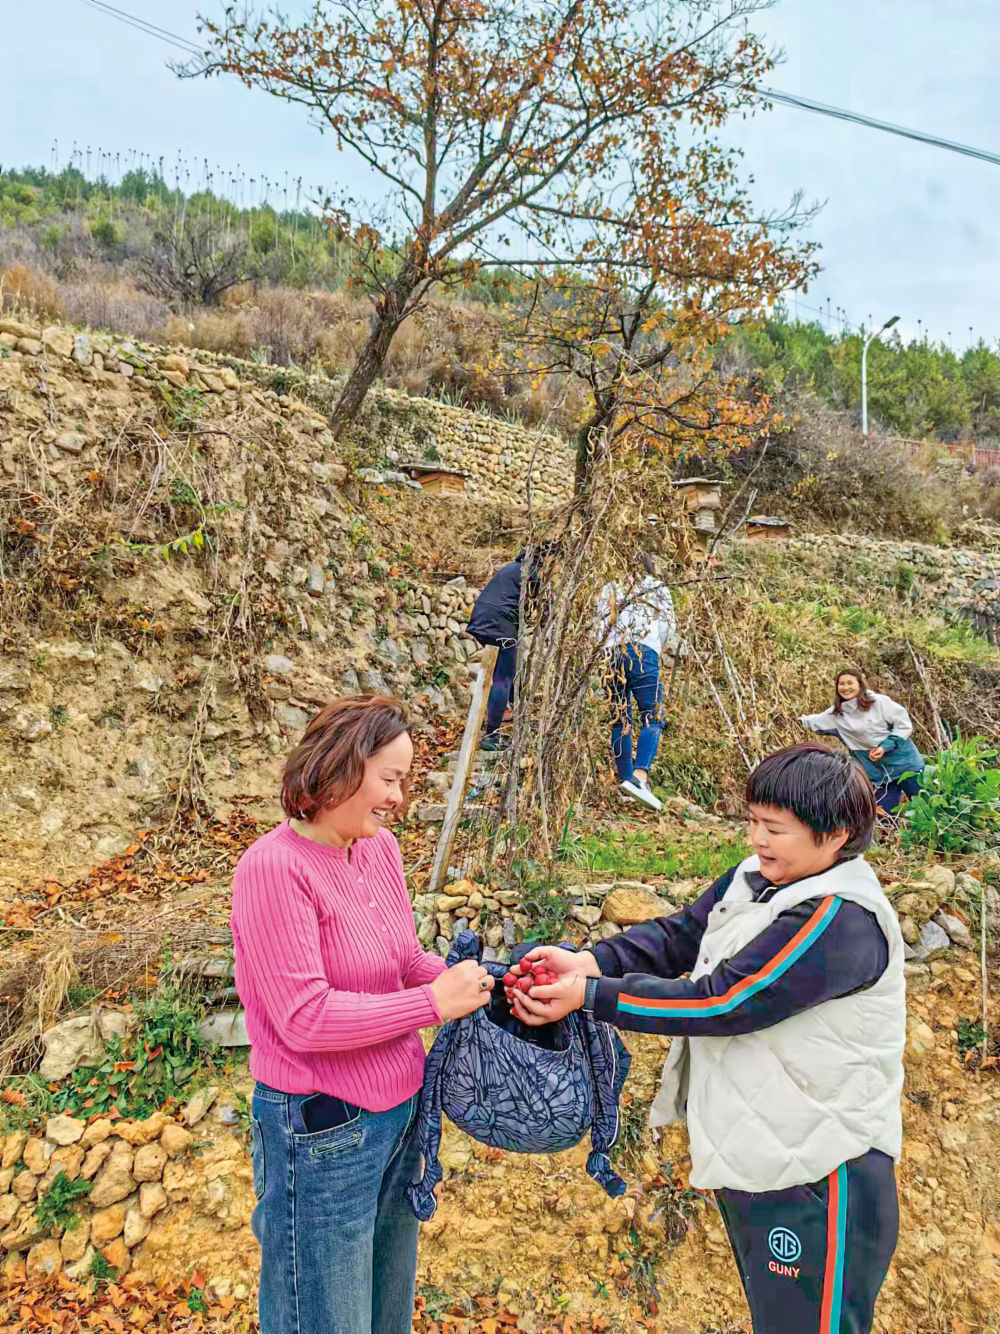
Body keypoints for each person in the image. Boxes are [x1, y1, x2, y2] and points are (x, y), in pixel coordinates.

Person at [510, 743, 905, 1334]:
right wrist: (589, 961)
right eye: (753, 822)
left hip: (823, 1169)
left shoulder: (839, 918)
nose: (757, 841)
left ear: (835, 835)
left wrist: (592, 997)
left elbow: (726, 1000)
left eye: (775, 828)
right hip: (759, 1153)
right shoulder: (758, 880)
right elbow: (681, 936)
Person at [231, 696, 495, 1334]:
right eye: (390, 778)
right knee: (323, 1320)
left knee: (383, 1316)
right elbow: (305, 1018)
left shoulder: (378, 852)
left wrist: (484, 986)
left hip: (399, 1116)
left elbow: (404, 956)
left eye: (405, 781)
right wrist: (434, 1004)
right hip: (323, 1133)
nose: (399, 796)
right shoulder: (274, 869)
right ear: (339, 771)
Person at [596, 554, 676, 811]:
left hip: (611, 655)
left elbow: (597, 625)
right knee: (654, 715)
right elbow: (667, 626)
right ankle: (639, 777)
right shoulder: (656, 586)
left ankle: (625, 782)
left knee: (620, 718)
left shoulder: (609, 587)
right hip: (643, 653)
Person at [799, 668, 925, 814]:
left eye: (850, 683)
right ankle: (892, 837)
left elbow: (903, 725)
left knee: (927, 807)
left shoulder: (879, 703)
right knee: (884, 818)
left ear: (860, 684)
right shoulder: (836, 714)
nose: (846, 687)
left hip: (907, 765)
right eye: (841, 684)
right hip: (879, 774)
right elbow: (811, 721)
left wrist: (885, 746)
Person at [467, 548, 543, 751]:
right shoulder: (531, 571)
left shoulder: (510, 569)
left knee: (509, 666)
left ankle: (508, 707)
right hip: (501, 624)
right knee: (503, 677)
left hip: (480, 619)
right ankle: (492, 735)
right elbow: (542, 606)